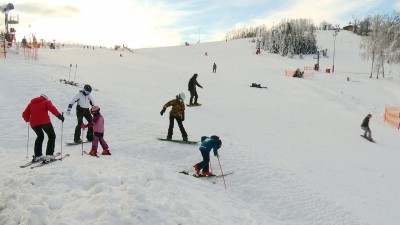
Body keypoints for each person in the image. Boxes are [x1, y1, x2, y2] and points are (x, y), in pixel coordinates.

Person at [22, 94, 64, 162]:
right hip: (45, 122)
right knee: (51, 136)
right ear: (45, 98)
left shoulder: (31, 104)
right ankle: (49, 155)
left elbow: (24, 114)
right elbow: (52, 108)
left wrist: (28, 119)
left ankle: (38, 155)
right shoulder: (46, 101)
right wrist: (59, 116)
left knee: (40, 136)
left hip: (34, 124)